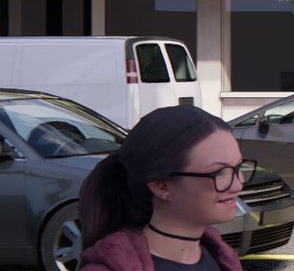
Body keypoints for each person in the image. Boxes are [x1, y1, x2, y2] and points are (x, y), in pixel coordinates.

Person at [77, 104, 249, 271]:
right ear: (161, 187)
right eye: (219, 173)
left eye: (238, 167)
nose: (237, 184)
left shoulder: (222, 257)